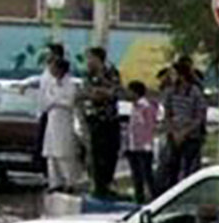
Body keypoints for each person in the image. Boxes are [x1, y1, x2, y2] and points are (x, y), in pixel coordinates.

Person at [159, 57, 207, 191]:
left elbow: (199, 117)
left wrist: (184, 132)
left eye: (174, 74)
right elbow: (167, 113)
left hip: (190, 136)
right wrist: (173, 131)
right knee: (170, 167)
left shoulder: (195, 92)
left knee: (188, 168)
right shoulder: (170, 92)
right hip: (174, 134)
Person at [81, 47, 123, 198]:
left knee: (110, 153)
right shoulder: (88, 75)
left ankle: (107, 183)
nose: (88, 62)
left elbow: (115, 92)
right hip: (94, 118)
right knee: (95, 153)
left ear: (98, 59)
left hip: (109, 119)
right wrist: (98, 93)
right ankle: (98, 185)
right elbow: (86, 93)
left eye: (90, 58)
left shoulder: (111, 72)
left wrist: (102, 92)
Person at [42, 58, 80, 194]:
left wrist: (55, 100)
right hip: (52, 120)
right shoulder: (51, 83)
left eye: (53, 67)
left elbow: (69, 101)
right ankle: (54, 183)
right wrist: (56, 100)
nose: (51, 70)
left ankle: (69, 182)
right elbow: (46, 101)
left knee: (64, 153)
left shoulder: (70, 84)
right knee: (51, 154)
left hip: (64, 120)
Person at [125, 81, 157, 204]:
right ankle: (139, 198)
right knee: (136, 175)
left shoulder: (146, 107)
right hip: (133, 146)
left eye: (129, 91)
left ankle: (153, 197)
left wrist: (147, 144)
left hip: (144, 147)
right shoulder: (134, 106)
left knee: (147, 174)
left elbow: (149, 126)